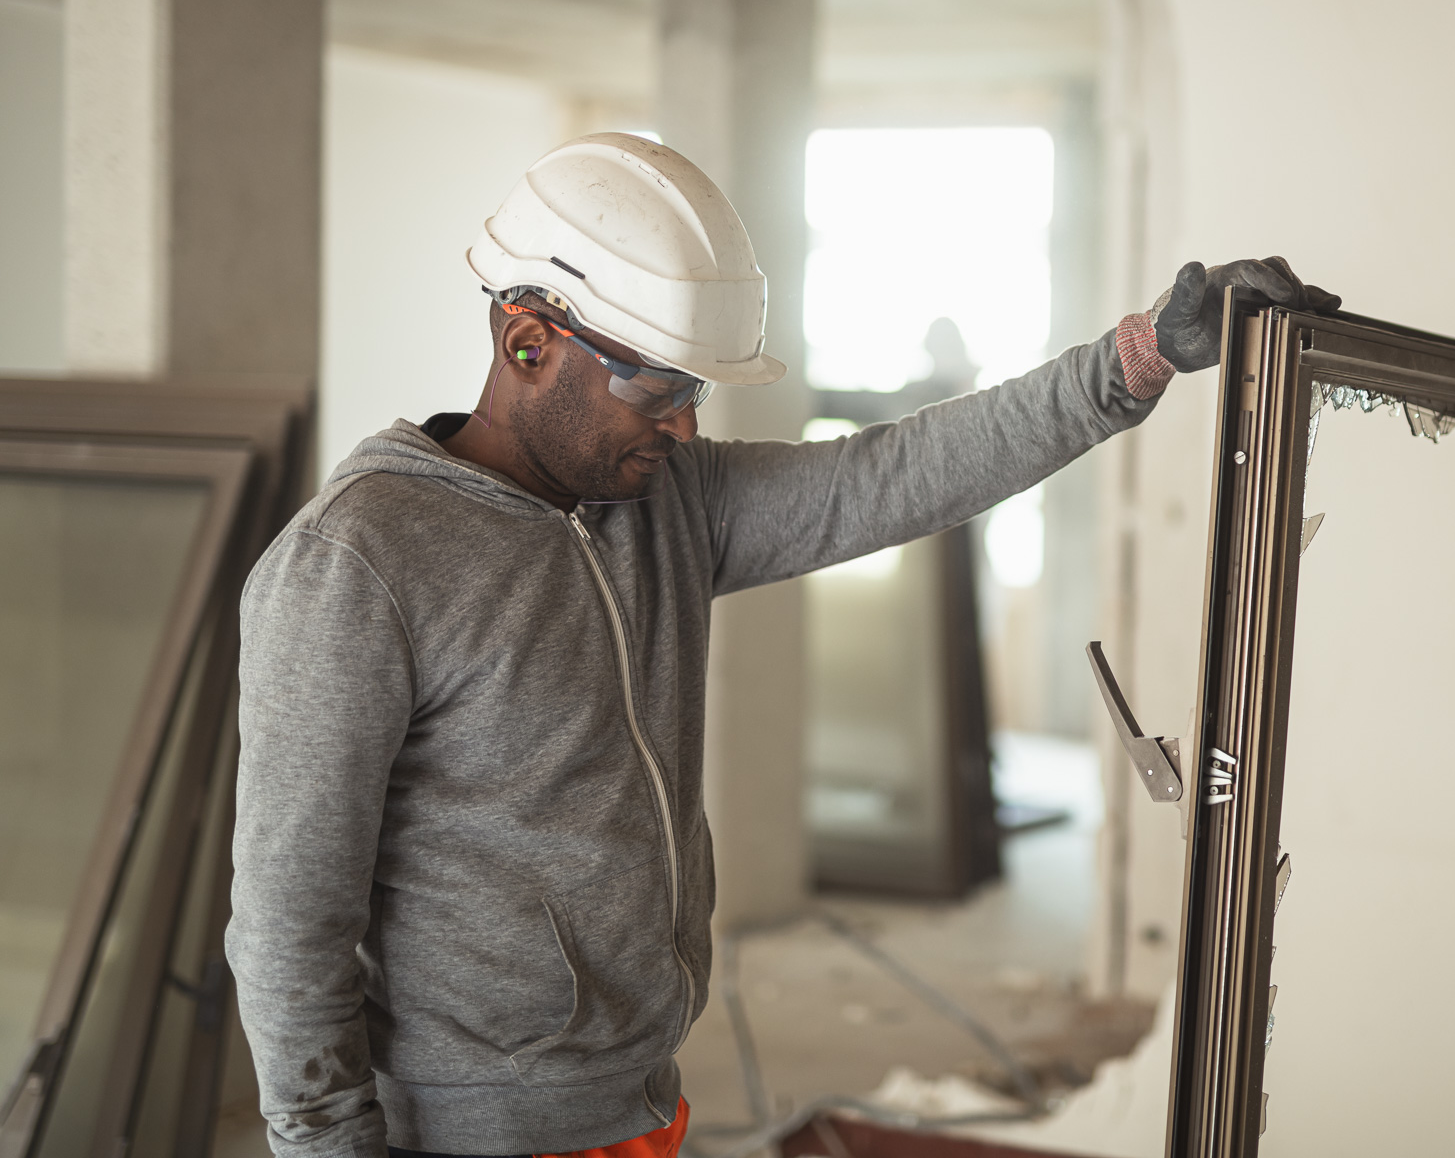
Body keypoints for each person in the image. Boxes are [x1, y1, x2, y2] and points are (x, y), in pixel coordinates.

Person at [227, 133, 1338, 1158]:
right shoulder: (361, 564)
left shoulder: (663, 505)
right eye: (657, 386)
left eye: (695, 388)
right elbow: (288, 924)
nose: (685, 424)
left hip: (640, 1099)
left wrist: (1135, 360)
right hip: (472, 1127)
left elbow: (893, 474)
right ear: (526, 338)